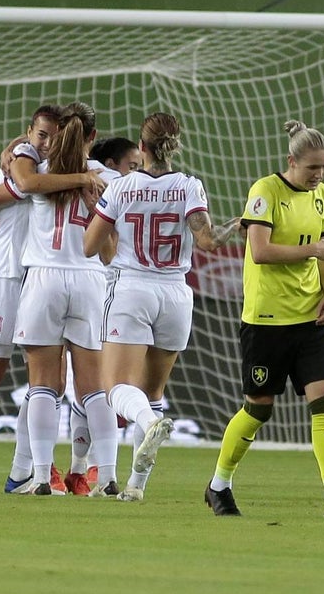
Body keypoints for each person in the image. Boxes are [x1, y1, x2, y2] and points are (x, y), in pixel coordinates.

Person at [203, 120, 324, 519]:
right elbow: (260, 251)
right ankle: (219, 485)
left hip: (310, 319)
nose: (319, 175)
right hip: (265, 319)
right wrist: (313, 247)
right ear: (291, 161)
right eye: (312, 168)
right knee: (259, 408)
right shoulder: (265, 192)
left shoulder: (323, 196)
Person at [0, 105, 105, 495]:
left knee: (49, 384)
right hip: (5, 278)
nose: (46, 143)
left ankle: (22, 475)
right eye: (41, 135)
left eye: (54, 136)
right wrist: (21, 154)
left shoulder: (54, 172)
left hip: (40, 282)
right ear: (29, 133)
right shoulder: (24, 165)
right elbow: (21, 185)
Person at [84, 112, 240, 502]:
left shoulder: (122, 187)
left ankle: (151, 422)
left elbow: (90, 247)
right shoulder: (190, 185)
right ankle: (136, 487)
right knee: (152, 390)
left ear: (142, 147)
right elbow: (208, 240)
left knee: (117, 388)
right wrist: (235, 224)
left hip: (131, 288)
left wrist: (99, 213)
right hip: (176, 293)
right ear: (176, 144)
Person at [0, 101, 121, 496]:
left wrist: (16, 148)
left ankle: (38, 476)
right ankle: (106, 477)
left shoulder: (40, 172)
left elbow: (21, 182)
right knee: (93, 389)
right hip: (89, 281)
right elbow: (110, 251)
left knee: (43, 386)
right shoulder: (107, 179)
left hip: (43, 280)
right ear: (92, 137)